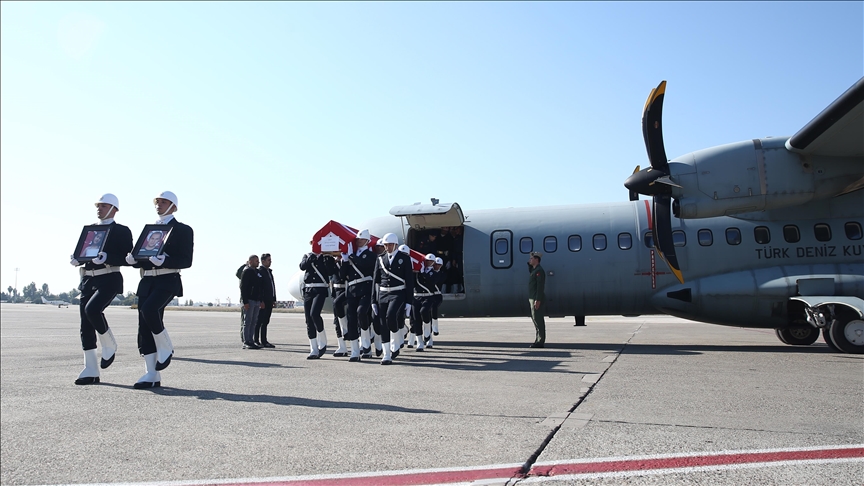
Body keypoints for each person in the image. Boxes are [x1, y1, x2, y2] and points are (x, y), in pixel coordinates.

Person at [125, 191, 193, 389]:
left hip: (167, 279)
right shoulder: (150, 230)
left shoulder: (183, 229)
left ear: (174, 206)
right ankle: (151, 374)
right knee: (143, 326)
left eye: (164, 202)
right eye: (157, 202)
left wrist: (166, 260)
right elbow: (142, 256)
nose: (159, 205)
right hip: (147, 280)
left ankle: (166, 346)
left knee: (150, 311)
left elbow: (186, 260)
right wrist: (133, 260)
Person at [69, 194, 133, 385]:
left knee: (92, 310)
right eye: (98, 206)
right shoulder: (90, 230)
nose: (99, 209)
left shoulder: (122, 231)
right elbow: (83, 251)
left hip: (109, 277)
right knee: (85, 326)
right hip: (88, 279)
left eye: (104, 206)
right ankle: (90, 369)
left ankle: (109, 343)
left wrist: (107, 257)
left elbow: (128, 258)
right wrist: (77, 258)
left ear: (114, 209)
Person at [372, 234, 414, 365]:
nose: (387, 247)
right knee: (382, 323)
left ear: (395, 244)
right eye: (385, 245)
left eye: (390, 244)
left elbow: (409, 281)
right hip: (383, 294)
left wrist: (409, 301)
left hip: (398, 293)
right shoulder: (380, 259)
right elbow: (375, 281)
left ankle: (396, 342)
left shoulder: (404, 259)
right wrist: (373, 300)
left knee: (391, 317)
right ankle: (387, 354)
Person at [339, 229, 376, 362]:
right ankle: (355, 351)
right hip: (352, 289)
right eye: (357, 240)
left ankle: (366, 342)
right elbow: (342, 276)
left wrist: (351, 256)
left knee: (361, 312)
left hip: (365, 288)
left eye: (361, 239)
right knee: (352, 319)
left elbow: (364, 264)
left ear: (367, 241)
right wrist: (344, 261)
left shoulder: (370, 255)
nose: (359, 241)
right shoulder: (351, 255)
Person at [299, 248, 337, 359]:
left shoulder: (326, 257)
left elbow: (331, 272)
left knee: (314, 314)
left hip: (320, 289)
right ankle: (313, 349)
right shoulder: (307, 255)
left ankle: (322, 341)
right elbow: (302, 266)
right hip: (308, 290)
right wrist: (311, 258)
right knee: (308, 320)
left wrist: (327, 260)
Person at [240, 255, 264, 349]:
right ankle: (246, 341)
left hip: (257, 300)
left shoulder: (257, 272)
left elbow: (260, 287)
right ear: (250, 261)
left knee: (254, 321)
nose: (258, 263)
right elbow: (243, 287)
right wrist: (245, 301)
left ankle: (251, 340)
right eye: (256, 261)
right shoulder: (247, 272)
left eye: (258, 261)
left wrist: (261, 300)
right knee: (248, 321)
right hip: (249, 300)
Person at [256, 253, 277, 348]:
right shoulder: (260, 272)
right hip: (263, 301)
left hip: (269, 300)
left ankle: (264, 341)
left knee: (266, 321)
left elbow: (272, 286)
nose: (270, 262)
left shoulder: (269, 272)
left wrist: (273, 299)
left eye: (270, 260)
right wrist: (260, 300)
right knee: (259, 321)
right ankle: (256, 340)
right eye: (268, 260)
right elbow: (259, 288)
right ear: (263, 261)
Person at [527, 251, 546, 348]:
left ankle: (540, 341)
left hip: (535, 298)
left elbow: (540, 287)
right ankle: (538, 339)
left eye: (531, 258)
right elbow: (530, 269)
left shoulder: (539, 271)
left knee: (538, 320)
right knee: (535, 319)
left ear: (536, 260)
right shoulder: (534, 270)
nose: (529, 260)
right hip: (532, 298)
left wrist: (537, 300)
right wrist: (529, 264)